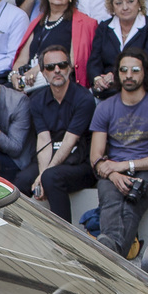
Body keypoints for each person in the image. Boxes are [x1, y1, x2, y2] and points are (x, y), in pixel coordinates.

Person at [87, 47, 148, 257]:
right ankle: (114, 254)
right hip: (114, 172)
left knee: (130, 204)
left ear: (145, 72)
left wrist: (126, 166)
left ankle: (107, 255)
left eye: (135, 70)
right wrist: (112, 174)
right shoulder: (105, 107)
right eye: (123, 70)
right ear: (117, 74)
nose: (129, 75)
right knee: (110, 200)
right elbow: (95, 157)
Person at [28, 46, 98, 218]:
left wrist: (44, 175)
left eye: (62, 65)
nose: (57, 70)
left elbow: (69, 141)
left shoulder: (84, 99)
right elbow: (44, 139)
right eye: (50, 67)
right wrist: (42, 172)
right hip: (52, 160)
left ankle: (64, 241)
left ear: (70, 67)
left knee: (51, 177)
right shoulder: (37, 100)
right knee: (21, 180)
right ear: (43, 72)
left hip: (81, 164)